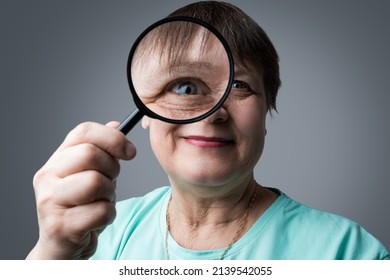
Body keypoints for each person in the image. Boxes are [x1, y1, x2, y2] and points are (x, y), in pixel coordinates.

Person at [27, 1, 388, 260]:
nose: (212, 114)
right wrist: (50, 255)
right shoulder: (98, 234)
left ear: (267, 110)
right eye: (185, 87)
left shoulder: (348, 254)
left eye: (240, 87)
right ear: (146, 110)